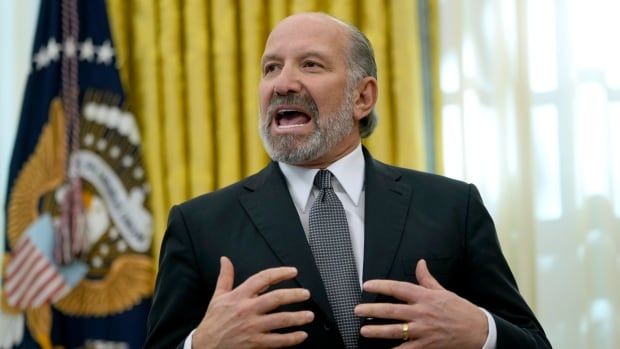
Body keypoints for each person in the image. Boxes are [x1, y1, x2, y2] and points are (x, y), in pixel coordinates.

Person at [144, 12, 551, 349]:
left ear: (363, 97)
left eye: (310, 64)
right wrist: (201, 345)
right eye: (271, 68)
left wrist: (481, 332)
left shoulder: (451, 207)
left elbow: (534, 342)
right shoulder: (198, 226)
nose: (283, 83)